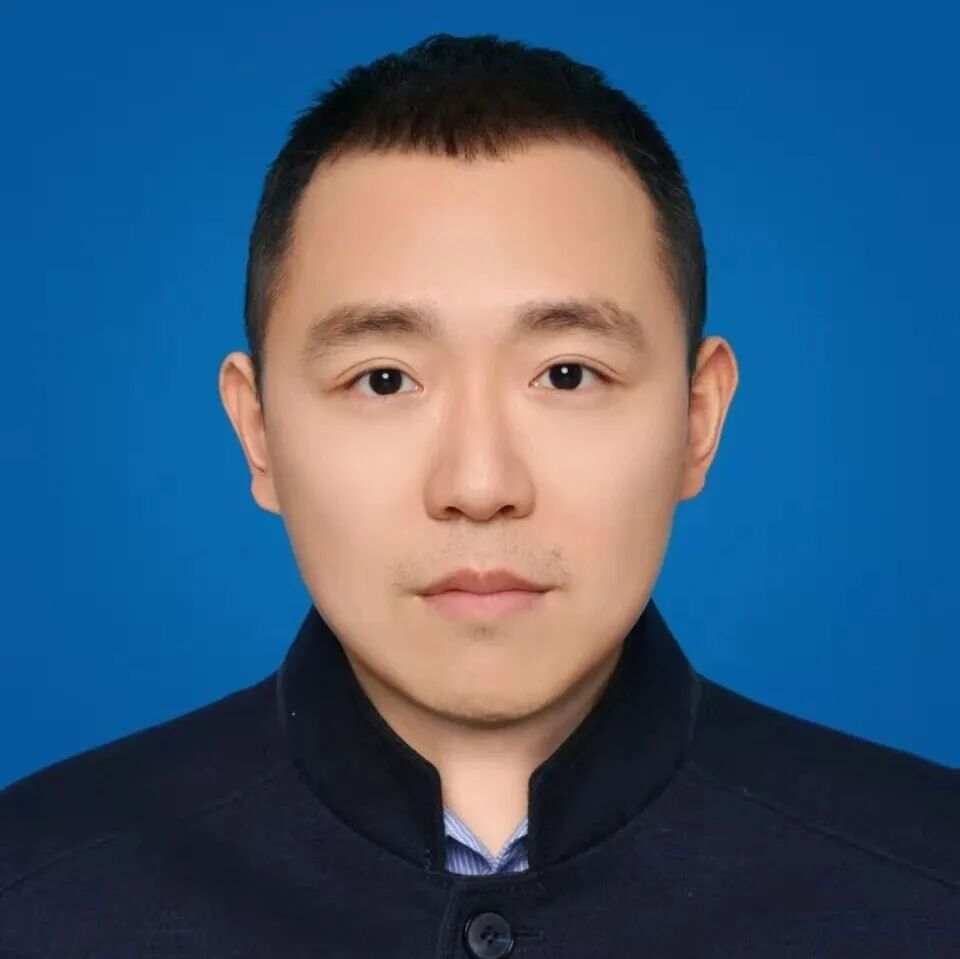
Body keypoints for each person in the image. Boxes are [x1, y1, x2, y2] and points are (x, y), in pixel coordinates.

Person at [1, 31, 956, 958]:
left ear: (697, 419)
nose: (480, 485)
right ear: (258, 433)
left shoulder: (930, 885)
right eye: (384, 380)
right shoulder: (34, 894)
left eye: (568, 374)